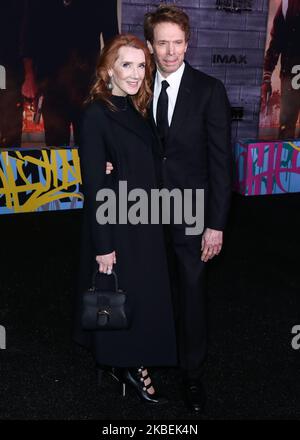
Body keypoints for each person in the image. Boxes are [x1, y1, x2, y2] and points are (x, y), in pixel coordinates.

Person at [72, 34, 177, 405]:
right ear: (108, 69)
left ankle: (128, 360)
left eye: (140, 66)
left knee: (142, 296)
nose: (135, 74)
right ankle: (131, 365)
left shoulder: (135, 108)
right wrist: (104, 247)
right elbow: (94, 188)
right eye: (126, 65)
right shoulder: (95, 114)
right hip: (116, 224)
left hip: (144, 220)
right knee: (120, 295)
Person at [143, 5, 232, 413]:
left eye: (177, 42)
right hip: (142, 210)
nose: (171, 51)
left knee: (192, 294)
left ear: (188, 43)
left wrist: (216, 224)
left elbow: (220, 163)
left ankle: (193, 375)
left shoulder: (210, 90)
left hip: (193, 212)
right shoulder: (137, 87)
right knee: (152, 289)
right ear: (150, 45)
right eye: (162, 42)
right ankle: (152, 356)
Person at [21, 0, 119, 146]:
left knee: (89, 143)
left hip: (87, 84)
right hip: (51, 81)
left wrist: (112, 82)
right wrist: (29, 77)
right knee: (56, 145)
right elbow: (29, 38)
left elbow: (112, 40)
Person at [261, 0, 300, 139]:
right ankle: (286, 159)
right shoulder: (288, 4)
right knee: (287, 125)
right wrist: (267, 77)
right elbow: (276, 42)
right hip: (292, 73)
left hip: (292, 72)